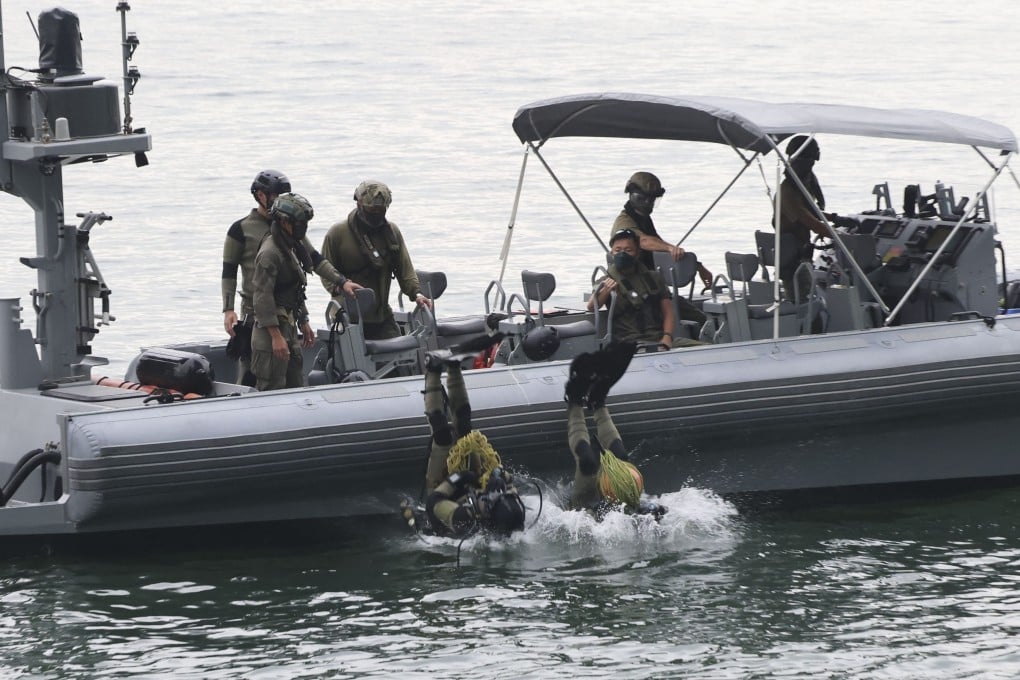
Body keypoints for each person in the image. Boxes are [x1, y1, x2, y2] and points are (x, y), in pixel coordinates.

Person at [222, 170, 360, 385]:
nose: (282, 201)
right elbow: (228, 271)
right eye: (277, 196)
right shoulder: (241, 230)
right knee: (253, 372)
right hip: (255, 311)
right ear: (260, 195)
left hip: (285, 312)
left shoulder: (290, 229)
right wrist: (228, 308)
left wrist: (341, 282)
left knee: (288, 371)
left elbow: (313, 260)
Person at [402, 340, 526, 539]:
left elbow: (435, 502)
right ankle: (454, 366)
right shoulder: (514, 513)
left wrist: (459, 478)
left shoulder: (465, 519)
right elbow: (509, 482)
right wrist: (498, 476)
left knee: (442, 436)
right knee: (465, 427)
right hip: (473, 481)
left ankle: (433, 370)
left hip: (444, 490)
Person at [563, 342, 665, 519]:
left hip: (587, 502)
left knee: (588, 463)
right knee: (620, 456)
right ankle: (594, 403)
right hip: (601, 498)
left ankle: (579, 402)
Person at [321, 180, 432, 341]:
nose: (376, 215)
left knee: (399, 357)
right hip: (348, 316)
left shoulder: (391, 233)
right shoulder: (337, 234)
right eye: (371, 210)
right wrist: (340, 287)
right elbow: (325, 271)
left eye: (381, 210)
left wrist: (417, 294)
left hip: (382, 316)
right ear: (359, 204)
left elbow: (405, 270)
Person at [250, 193, 321, 391]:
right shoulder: (270, 253)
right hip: (272, 332)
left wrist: (303, 320)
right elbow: (261, 297)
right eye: (298, 223)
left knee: (295, 383)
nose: (302, 228)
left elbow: (294, 288)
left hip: (288, 325)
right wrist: (275, 336)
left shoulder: (291, 247)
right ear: (283, 222)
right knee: (273, 386)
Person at [588, 228, 702, 350]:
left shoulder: (654, 277)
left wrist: (667, 337)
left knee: (706, 349)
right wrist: (606, 290)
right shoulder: (606, 280)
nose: (622, 254)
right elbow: (591, 306)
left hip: (659, 339)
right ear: (612, 253)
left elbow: (668, 311)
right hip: (628, 342)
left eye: (628, 250)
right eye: (618, 250)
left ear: (637, 253)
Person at [611, 171, 714, 297]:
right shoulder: (625, 221)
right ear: (631, 195)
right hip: (634, 286)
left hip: (650, 283)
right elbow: (644, 241)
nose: (647, 203)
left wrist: (698, 267)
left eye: (651, 200)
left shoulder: (644, 220)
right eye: (641, 199)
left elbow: (658, 247)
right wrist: (670, 248)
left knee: (694, 313)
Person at [773, 136, 831, 301]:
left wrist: (836, 219)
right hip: (792, 261)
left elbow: (813, 211)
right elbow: (812, 223)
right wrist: (842, 238)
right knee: (805, 303)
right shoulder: (788, 192)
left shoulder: (802, 186)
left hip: (800, 255)